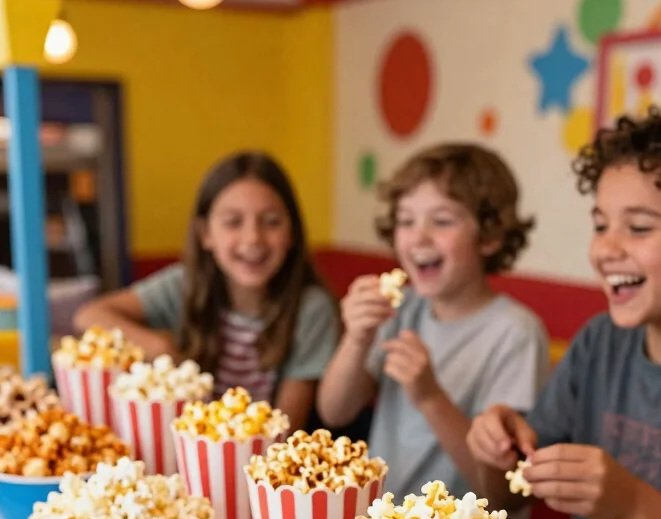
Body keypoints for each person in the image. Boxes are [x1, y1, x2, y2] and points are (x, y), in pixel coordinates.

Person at [467, 105, 661, 519]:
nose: (604, 250)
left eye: (639, 228)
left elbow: (631, 505)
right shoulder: (599, 343)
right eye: (600, 225)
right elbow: (511, 499)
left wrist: (633, 505)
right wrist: (500, 454)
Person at [317, 143, 549, 499]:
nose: (418, 236)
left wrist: (430, 397)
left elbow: (506, 494)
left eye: (441, 221)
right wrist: (356, 338)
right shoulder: (402, 310)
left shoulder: (516, 332)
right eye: (406, 220)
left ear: (489, 236)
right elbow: (334, 412)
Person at [75, 152, 339, 431]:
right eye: (233, 222)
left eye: (271, 221)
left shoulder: (311, 310)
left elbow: (286, 431)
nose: (253, 238)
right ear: (205, 234)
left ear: (292, 234)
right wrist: (160, 348)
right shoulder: (183, 286)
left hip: (263, 463)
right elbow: (89, 315)